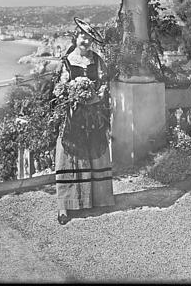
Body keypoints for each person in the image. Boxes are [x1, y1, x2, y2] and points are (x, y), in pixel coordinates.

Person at [53, 17, 114, 225]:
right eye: (82, 37)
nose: (85, 42)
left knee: (94, 152)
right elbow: (60, 87)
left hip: (94, 114)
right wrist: (70, 94)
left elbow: (105, 84)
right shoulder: (67, 61)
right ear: (75, 38)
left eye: (89, 38)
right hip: (74, 116)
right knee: (69, 156)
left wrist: (96, 96)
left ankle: (96, 200)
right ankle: (65, 206)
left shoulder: (97, 61)